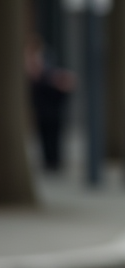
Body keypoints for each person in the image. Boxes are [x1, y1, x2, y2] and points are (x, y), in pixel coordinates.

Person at [25, 34, 74, 173]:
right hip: (43, 106)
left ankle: (54, 162)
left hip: (51, 107)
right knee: (45, 136)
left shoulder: (46, 62)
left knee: (53, 135)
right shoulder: (32, 65)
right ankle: (50, 161)